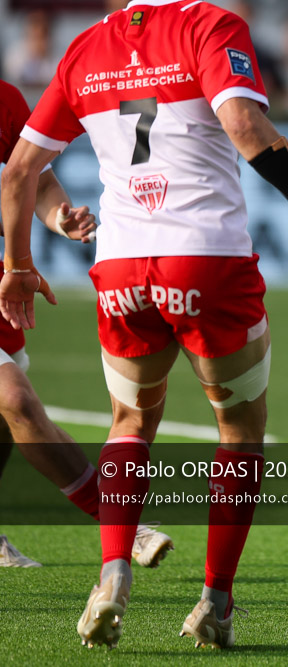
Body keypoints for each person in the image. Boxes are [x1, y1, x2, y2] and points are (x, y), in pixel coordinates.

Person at [0, 0, 288, 650]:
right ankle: (215, 600)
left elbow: (18, 169)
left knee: (130, 423)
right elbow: (243, 122)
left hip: (123, 269)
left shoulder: (84, 50)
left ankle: (112, 575)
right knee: (239, 430)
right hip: (206, 261)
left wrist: (18, 264)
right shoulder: (208, 25)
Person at [0, 78, 173, 570]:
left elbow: (36, 176)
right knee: (15, 401)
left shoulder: (7, 100)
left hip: (2, 286)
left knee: (2, 418)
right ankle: (121, 525)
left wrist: (58, 217)